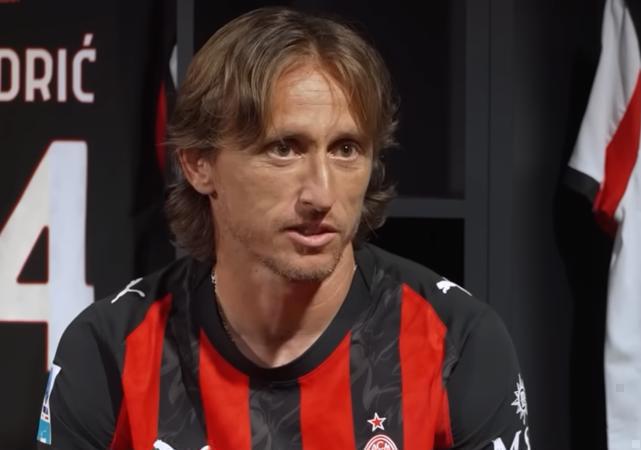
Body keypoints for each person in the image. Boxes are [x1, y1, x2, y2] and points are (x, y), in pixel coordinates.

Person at [37, 7, 530, 450]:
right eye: (284, 148)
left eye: (346, 149)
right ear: (199, 164)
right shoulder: (109, 351)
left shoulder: (457, 343)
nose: (321, 194)